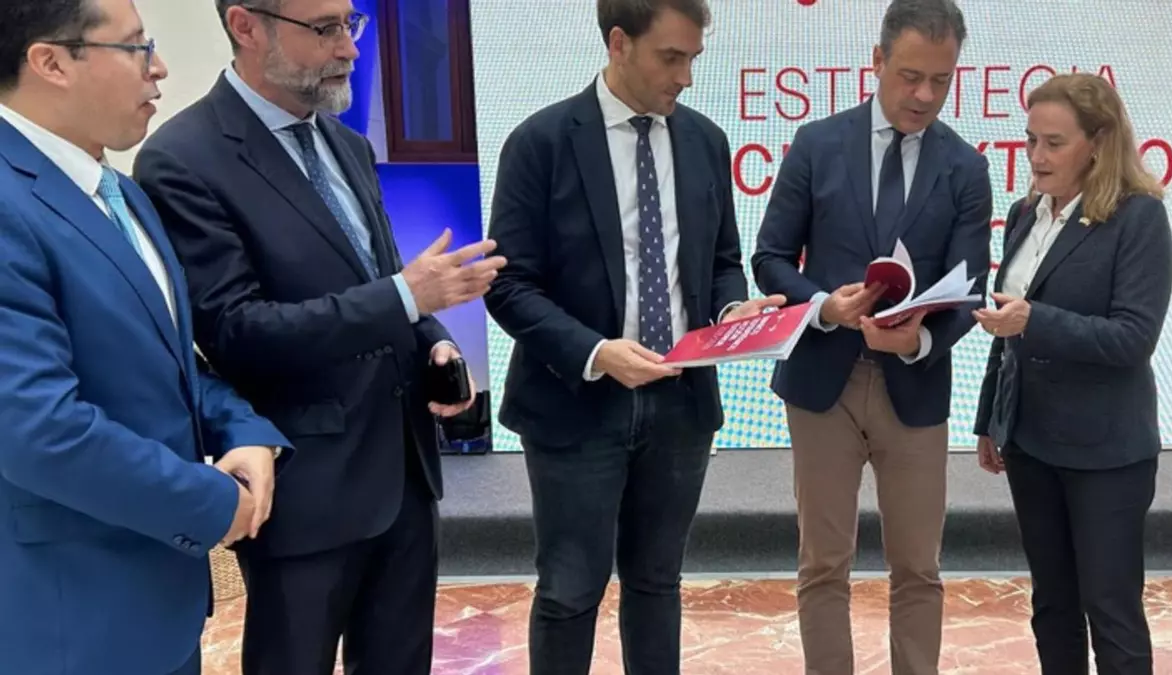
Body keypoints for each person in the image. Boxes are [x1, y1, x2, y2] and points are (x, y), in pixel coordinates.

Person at [132, 1, 503, 673]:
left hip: (405, 475)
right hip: (305, 489)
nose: (350, 49)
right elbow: (236, 331)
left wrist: (434, 340)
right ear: (246, 26)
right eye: (325, 28)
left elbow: (379, 278)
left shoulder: (346, 144)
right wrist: (406, 297)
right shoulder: (183, 159)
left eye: (350, 24)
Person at [484, 1, 784, 673]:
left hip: (680, 404)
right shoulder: (542, 143)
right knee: (569, 591)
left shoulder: (705, 141)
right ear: (619, 43)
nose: (685, 78)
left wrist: (730, 309)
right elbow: (509, 285)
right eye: (670, 58)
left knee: (657, 583)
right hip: (575, 402)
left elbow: (721, 260)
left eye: (693, 59)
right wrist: (595, 352)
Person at [0, 1, 293, 674]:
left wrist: (244, 429)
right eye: (135, 48)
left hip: (155, 602)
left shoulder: (118, 192)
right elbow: (39, 431)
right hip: (68, 619)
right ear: (50, 62)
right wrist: (211, 502)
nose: (159, 69)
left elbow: (167, 360)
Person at [751, 1, 991, 673]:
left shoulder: (966, 167)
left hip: (914, 386)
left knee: (918, 565)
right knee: (823, 562)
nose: (924, 96)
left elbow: (969, 288)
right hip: (821, 384)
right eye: (911, 76)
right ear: (877, 61)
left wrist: (916, 341)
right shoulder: (815, 144)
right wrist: (824, 306)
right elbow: (769, 257)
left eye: (940, 81)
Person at [973, 73, 1172, 675]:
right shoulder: (1024, 214)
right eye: (1031, 140)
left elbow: (1132, 338)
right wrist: (989, 419)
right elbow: (1007, 326)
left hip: (1106, 454)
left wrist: (1036, 320)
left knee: (1111, 610)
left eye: (1054, 143)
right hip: (1030, 443)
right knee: (1052, 606)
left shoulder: (1138, 218)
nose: (1036, 156)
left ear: (1099, 142)